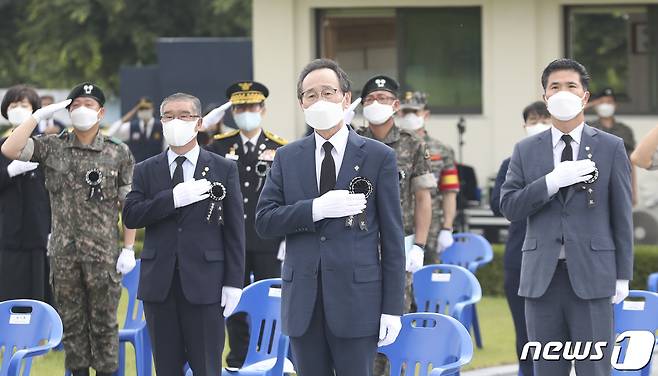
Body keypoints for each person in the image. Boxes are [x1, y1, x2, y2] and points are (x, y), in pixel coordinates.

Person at [255, 58, 405, 376]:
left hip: (357, 301)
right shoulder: (286, 157)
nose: (320, 100)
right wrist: (315, 209)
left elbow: (392, 239)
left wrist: (393, 307)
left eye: (328, 91)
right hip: (303, 305)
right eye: (311, 94)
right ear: (301, 103)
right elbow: (265, 221)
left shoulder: (379, 157)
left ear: (346, 98)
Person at [500, 58, 633, 376]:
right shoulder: (526, 150)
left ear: (585, 96)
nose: (562, 93)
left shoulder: (611, 147)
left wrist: (622, 274)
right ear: (545, 97)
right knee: (546, 369)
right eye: (554, 87)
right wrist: (550, 182)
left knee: (594, 368)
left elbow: (621, 214)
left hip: (592, 276)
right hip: (542, 280)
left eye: (571, 86)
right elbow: (509, 206)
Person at [1, 82, 137, 376]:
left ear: (101, 113)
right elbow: (10, 148)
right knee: (72, 327)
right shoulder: (53, 146)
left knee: (104, 326)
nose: (81, 110)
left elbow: (129, 204)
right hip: (63, 255)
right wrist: (35, 117)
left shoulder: (118, 152)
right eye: (75, 105)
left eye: (88, 105)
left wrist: (128, 247)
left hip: (102, 254)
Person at [122, 92, 245, 376]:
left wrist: (233, 281)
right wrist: (172, 198)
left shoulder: (223, 168)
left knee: (206, 366)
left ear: (199, 123)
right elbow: (131, 215)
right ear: (162, 121)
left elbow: (235, 230)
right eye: (169, 116)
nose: (176, 122)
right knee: (166, 367)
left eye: (184, 116)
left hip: (206, 284)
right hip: (159, 285)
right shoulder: (145, 169)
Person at [355, 76, 434, 376]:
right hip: (358, 243)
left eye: (384, 98)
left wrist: (420, 245)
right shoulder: (352, 140)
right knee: (361, 320)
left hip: (397, 246)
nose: (377, 104)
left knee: (396, 319)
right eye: (371, 99)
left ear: (396, 105)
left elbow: (423, 198)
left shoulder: (412, 144)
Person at [206, 80, 287, 369]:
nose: (245, 112)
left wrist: (287, 238)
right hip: (231, 238)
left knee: (270, 303)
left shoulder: (280, 148)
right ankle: (239, 359)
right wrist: (205, 130)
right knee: (234, 301)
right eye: (240, 107)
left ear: (262, 109)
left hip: (268, 239)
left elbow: (289, 194)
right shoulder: (220, 145)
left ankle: (269, 359)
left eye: (251, 106)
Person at [490, 101, 550, 376]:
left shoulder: (570, 162)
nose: (537, 123)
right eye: (532, 119)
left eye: (543, 118)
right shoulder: (511, 163)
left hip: (558, 258)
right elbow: (498, 204)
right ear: (524, 126)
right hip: (521, 255)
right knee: (524, 331)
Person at [0, 85, 52, 303]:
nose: (19, 109)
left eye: (24, 105)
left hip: (39, 235)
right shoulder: (2, 147)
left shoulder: (46, 146)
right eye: (14, 105)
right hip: (6, 236)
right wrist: (9, 172)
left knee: (38, 295)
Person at [397, 91, 459, 263]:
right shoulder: (386, 148)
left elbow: (449, 192)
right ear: (398, 113)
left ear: (425, 114)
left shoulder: (441, 150)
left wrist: (447, 227)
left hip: (432, 229)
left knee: (429, 280)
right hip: (399, 226)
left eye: (415, 112)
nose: (409, 117)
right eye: (405, 112)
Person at [587, 87, 638, 205]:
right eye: (601, 102)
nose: (605, 105)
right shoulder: (588, 128)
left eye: (609, 102)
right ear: (595, 105)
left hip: (619, 183)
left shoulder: (625, 130)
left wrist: (633, 191)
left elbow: (630, 162)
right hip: (594, 185)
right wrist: (590, 104)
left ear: (615, 105)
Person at [107, 97, 164, 162]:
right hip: (137, 167)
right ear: (137, 111)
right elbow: (111, 133)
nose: (144, 111)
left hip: (156, 166)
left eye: (147, 108)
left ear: (152, 109)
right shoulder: (132, 126)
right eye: (141, 109)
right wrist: (129, 115)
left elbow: (166, 148)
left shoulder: (161, 126)